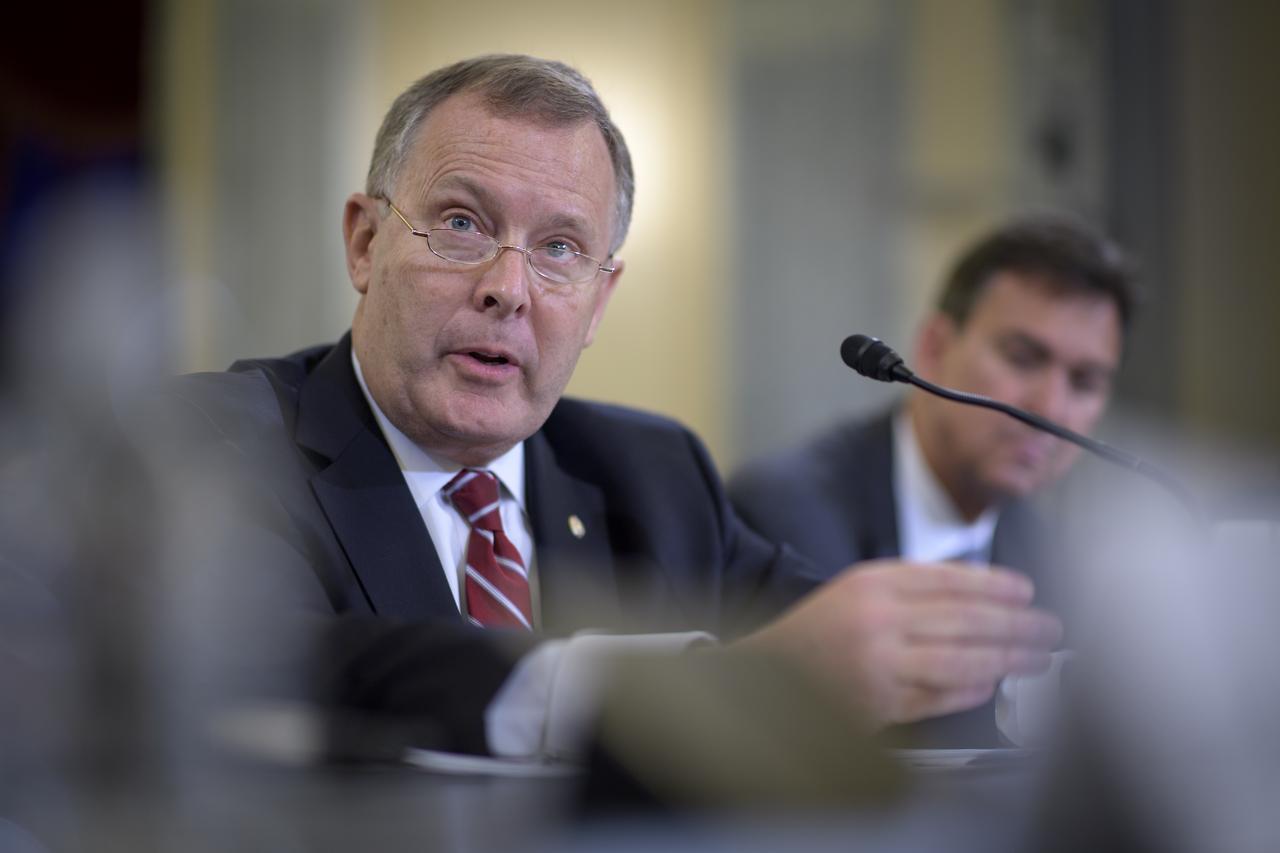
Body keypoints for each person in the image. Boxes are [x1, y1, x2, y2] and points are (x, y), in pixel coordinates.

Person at [156, 54, 1060, 760]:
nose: (508, 288)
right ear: (363, 241)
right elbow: (271, 665)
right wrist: (695, 691)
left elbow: (844, 656)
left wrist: (1048, 685)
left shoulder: (653, 474)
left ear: (599, 298)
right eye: (463, 223)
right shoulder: (220, 446)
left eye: (558, 248)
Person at [729, 215, 1135, 745]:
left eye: (1084, 382)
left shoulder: (1050, 555)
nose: (1051, 407)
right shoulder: (782, 512)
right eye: (1022, 358)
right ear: (935, 348)